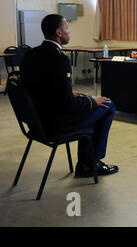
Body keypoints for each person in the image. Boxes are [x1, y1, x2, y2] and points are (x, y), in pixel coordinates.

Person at [21, 14, 119, 177]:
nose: (69, 31)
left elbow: (39, 88)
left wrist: (70, 93)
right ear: (59, 33)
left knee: (92, 105)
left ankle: (86, 163)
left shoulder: (31, 54)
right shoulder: (59, 59)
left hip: (36, 121)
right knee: (107, 105)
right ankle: (91, 163)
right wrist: (91, 101)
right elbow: (67, 105)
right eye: (67, 28)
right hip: (55, 124)